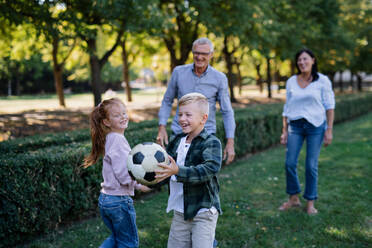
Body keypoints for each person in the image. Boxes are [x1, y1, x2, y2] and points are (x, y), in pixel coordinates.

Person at [155, 93, 222, 248]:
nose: (182, 119)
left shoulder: (211, 142)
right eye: (180, 114)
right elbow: (167, 170)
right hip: (180, 210)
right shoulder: (177, 140)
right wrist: (151, 182)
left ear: (203, 118)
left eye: (188, 115)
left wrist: (178, 170)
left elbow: (208, 169)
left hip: (203, 210)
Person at [82, 98, 151, 248]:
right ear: (107, 122)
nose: (123, 117)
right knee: (128, 242)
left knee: (116, 238)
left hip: (106, 199)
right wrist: (139, 184)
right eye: (117, 115)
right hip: (118, 202)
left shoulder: (111, 138)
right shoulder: (118, 140)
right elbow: (123, 174)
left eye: (124, 113)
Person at [157, 37, 236, 165]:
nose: (199, 57)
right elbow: (167, 101)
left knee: (201, 178)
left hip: (205, 137)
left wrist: (230, 142)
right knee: (173, 177)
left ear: (211, 54)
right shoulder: (178, 72)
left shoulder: (219, 78)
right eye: (196, 53)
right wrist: (162, 127)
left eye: (204, 53)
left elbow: (227, 112)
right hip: (179, 134)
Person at [279, 49, 335, 215]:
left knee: (311, 165)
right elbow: (287, 108)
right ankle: (293, 198)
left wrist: (329, 130)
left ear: (313, 60)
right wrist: (284, 131)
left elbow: (330, 106)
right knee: (289, 163)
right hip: (295, 126)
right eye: (299, 60)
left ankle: (310, 202)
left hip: (316, 126)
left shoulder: (322, 81)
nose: (302, 62)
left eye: (305, 59)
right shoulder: (291, 81)